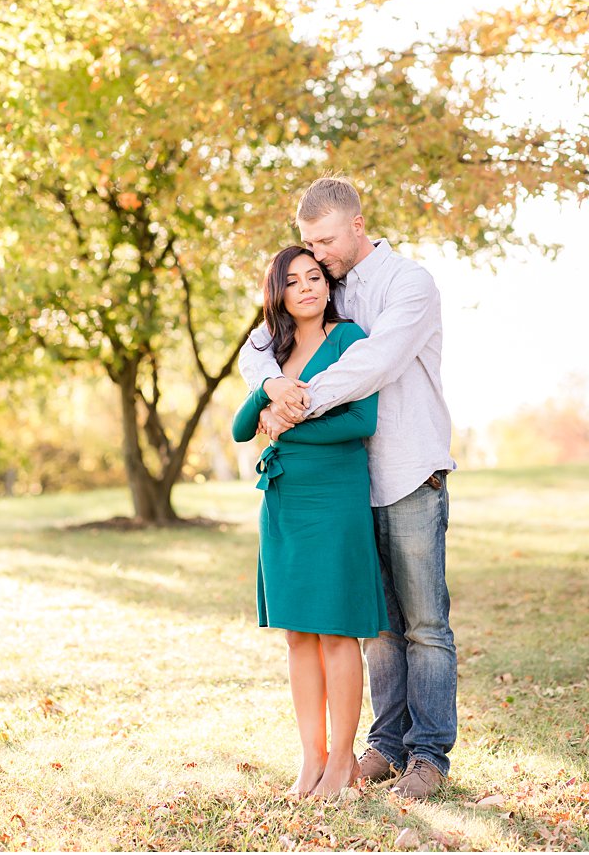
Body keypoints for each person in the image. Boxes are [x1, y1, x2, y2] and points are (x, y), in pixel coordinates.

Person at [240, 176, 458, 803]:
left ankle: (429, 756)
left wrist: (297, 402)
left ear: (358, 226)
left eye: (327, 241)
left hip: (411, 469)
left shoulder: (408, 285)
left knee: (423, 624)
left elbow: (374, 364)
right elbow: (263, 343)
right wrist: (270, 387)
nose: (319, 253)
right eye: (309, 243)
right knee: (378, 625)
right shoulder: (328, 288)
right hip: (348, 484)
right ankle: (386, 748)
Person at [232, 245, 387, 799]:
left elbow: (361, 421)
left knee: (337, 633)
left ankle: (343, 762)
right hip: (285, 499)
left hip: (335, 498)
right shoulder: (269, 353)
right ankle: (311, 759)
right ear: (279, 291)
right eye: (293, 279)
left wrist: (285, 428)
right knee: (299, 633)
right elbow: (238, 428)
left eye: (314, 276)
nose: (306, 286)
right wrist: (267, 396)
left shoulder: (349, 339)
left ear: (327, 284)